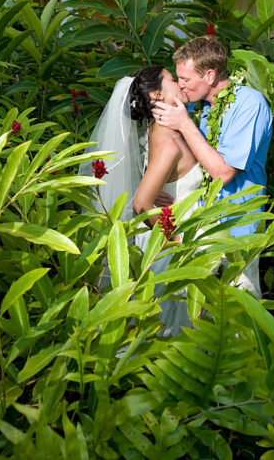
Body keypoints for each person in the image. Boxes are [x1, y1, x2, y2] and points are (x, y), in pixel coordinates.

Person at [80, 67, 204, 336]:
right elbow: (141, 204)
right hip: (169, 245)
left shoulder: (160, 131)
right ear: (157, 94)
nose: (180, 84)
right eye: (173, 79)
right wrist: (175, 243)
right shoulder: (168, 141)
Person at [150, 36, 273, 299]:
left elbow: (223, 173)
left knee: (240, 308)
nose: (181, 85)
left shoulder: (249, 104)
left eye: (185, 79)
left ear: (209, 75)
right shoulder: (202, 106)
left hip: (239, 225)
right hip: (203, 224)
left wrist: (184, 123)